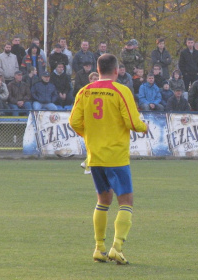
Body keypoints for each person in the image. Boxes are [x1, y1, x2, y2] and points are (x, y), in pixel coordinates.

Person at [69, 53, 148, 265]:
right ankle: (117, 248)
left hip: (95, 156)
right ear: (115, 70)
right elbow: (133, 121)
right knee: (126, 202)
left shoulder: (84, 91)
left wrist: (89, 137)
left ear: (97, 68)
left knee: (103, 201)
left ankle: (99, 248)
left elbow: (74, 122)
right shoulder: (121, 90)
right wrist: (144, 126)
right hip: (116, 157)